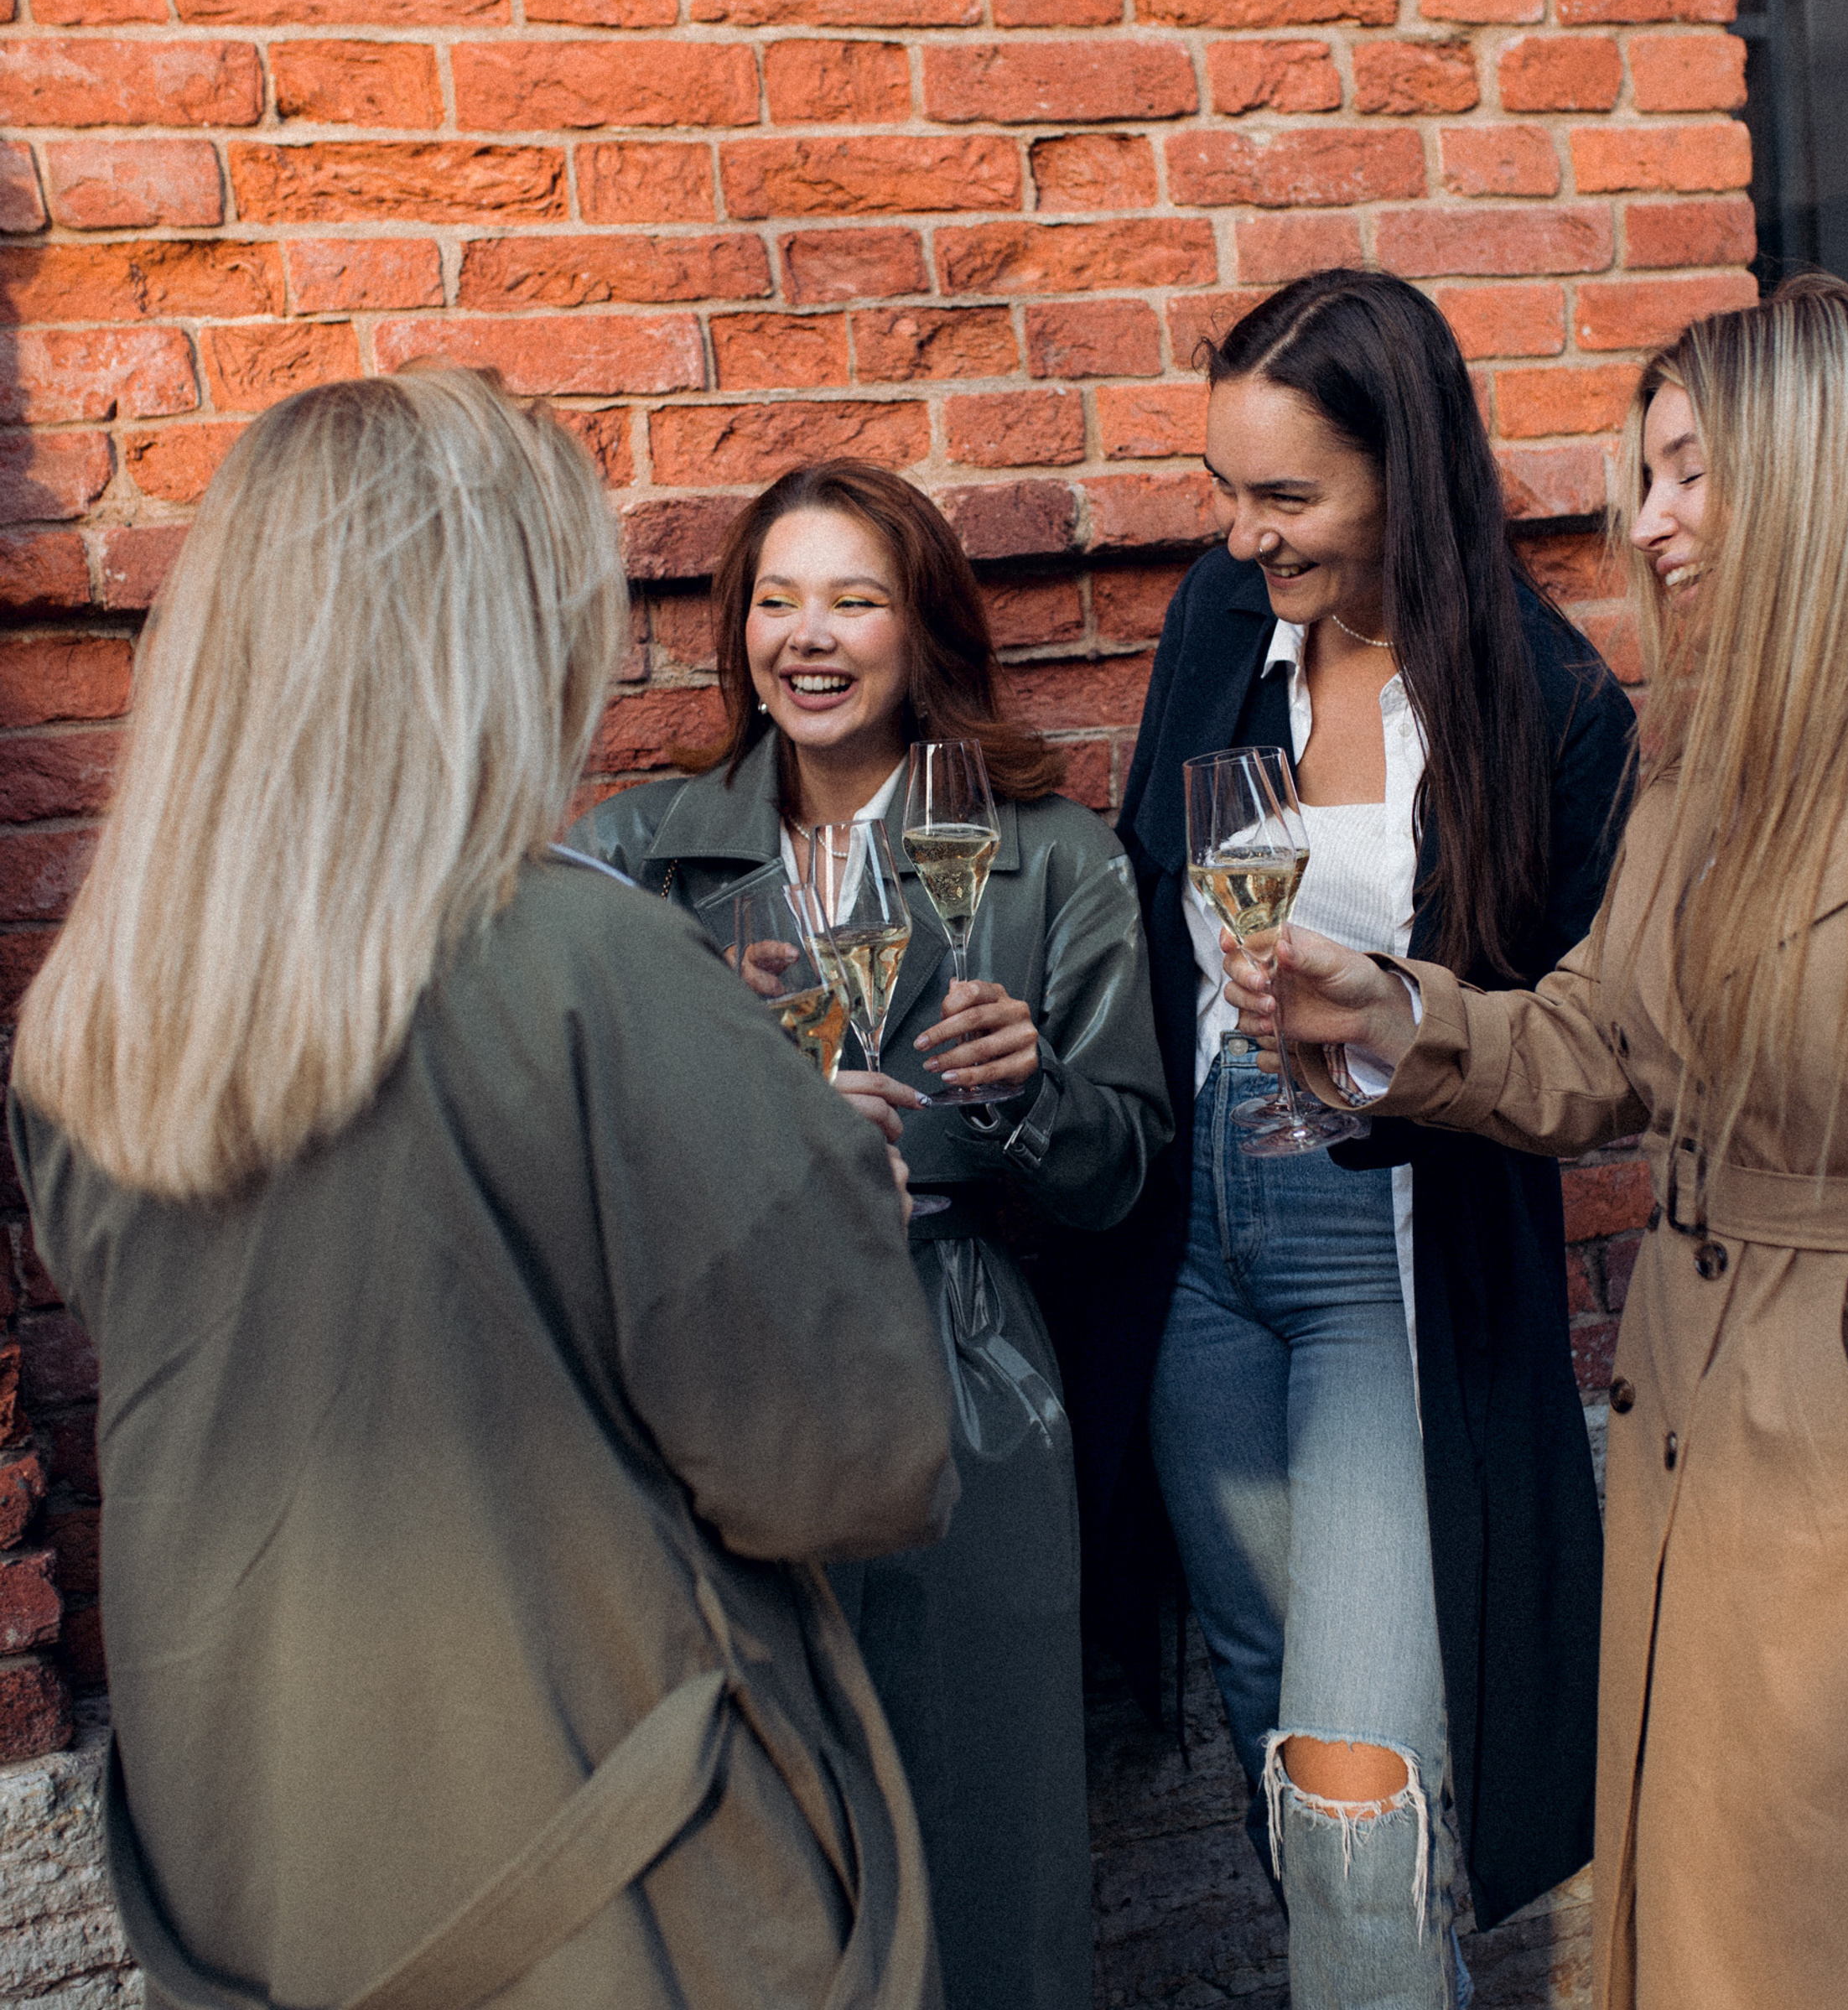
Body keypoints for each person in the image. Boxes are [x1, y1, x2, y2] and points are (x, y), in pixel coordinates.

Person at [1225, 274, 1848, 2010]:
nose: (1645, 524)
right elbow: (1604, 1042)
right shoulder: (1711, 756)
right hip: (1701, 1448)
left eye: (1688, 475)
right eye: (1644, 477)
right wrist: (1390, 1012)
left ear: (1820, 475)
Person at [8, 367, 958, 2010]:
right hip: (609, 1883)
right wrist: (822, 1194)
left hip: (262, 1895)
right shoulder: (591, 968)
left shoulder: (101, 1021)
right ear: (496, 637)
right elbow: (848, 1464)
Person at [568, 460, 1171, 2010]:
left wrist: (1032, 1097)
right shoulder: (632, 861)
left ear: (925, 628)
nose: (809, 636)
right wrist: (747, 1122)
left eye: (854, 599)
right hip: (719, 1381)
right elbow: (571, 1164)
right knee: (762, 1840)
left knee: (990, 1826)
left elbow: (1124, 1177)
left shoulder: (1055, 856)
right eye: (776, 601)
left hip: (966, 1369)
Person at [1109, 267, 1636, 2008]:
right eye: (1224, 488)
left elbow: (1587, 1045)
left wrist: (1390, 1009)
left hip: (1383, 1257)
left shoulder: (1550, 705)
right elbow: (1145, 880)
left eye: (1285, 495)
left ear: (1406, 472)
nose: (1240, 533)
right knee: (1283, 1732)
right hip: (1202, 1245)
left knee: (1360, 1795)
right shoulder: (1217, 620)